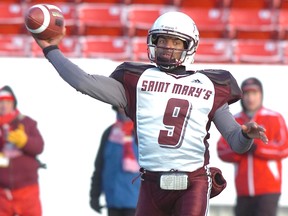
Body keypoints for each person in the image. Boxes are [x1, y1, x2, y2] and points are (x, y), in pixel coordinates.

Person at [32, 11, 268, 216]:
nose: (167, 47)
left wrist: (246, 135)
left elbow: (237, 144)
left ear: (189, 46)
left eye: (175, 42)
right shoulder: (136, 80)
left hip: (193, 183)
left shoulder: (211, 85)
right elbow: (84, 82)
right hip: (151, 183)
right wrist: (51, 50)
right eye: (162, 40)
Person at [217, 77, 288, 216]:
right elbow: (222, 150)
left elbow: (284, 148)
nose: (251, 98)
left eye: (254, 93)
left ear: (261, 95)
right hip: (242, 190)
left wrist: (258, 148)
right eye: (247, 93)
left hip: (268, 189)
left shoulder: (274, 117)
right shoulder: (235, 120)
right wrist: (242, 147)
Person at [0, 85, 45, 216]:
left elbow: (39, 147)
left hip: (27, 190)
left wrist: (25, 141)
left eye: (7, 102)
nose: (3, 105)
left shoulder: (26, 122)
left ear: (13, 103)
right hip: (2, 194)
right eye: (1, 102)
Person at [90, 106, 140, 216]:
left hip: (136, 202)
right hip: (113, 201)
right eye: (120, 106)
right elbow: (99, 166)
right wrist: (94, 195)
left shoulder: (142, 134)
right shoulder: (109, 133)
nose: (123, 109)